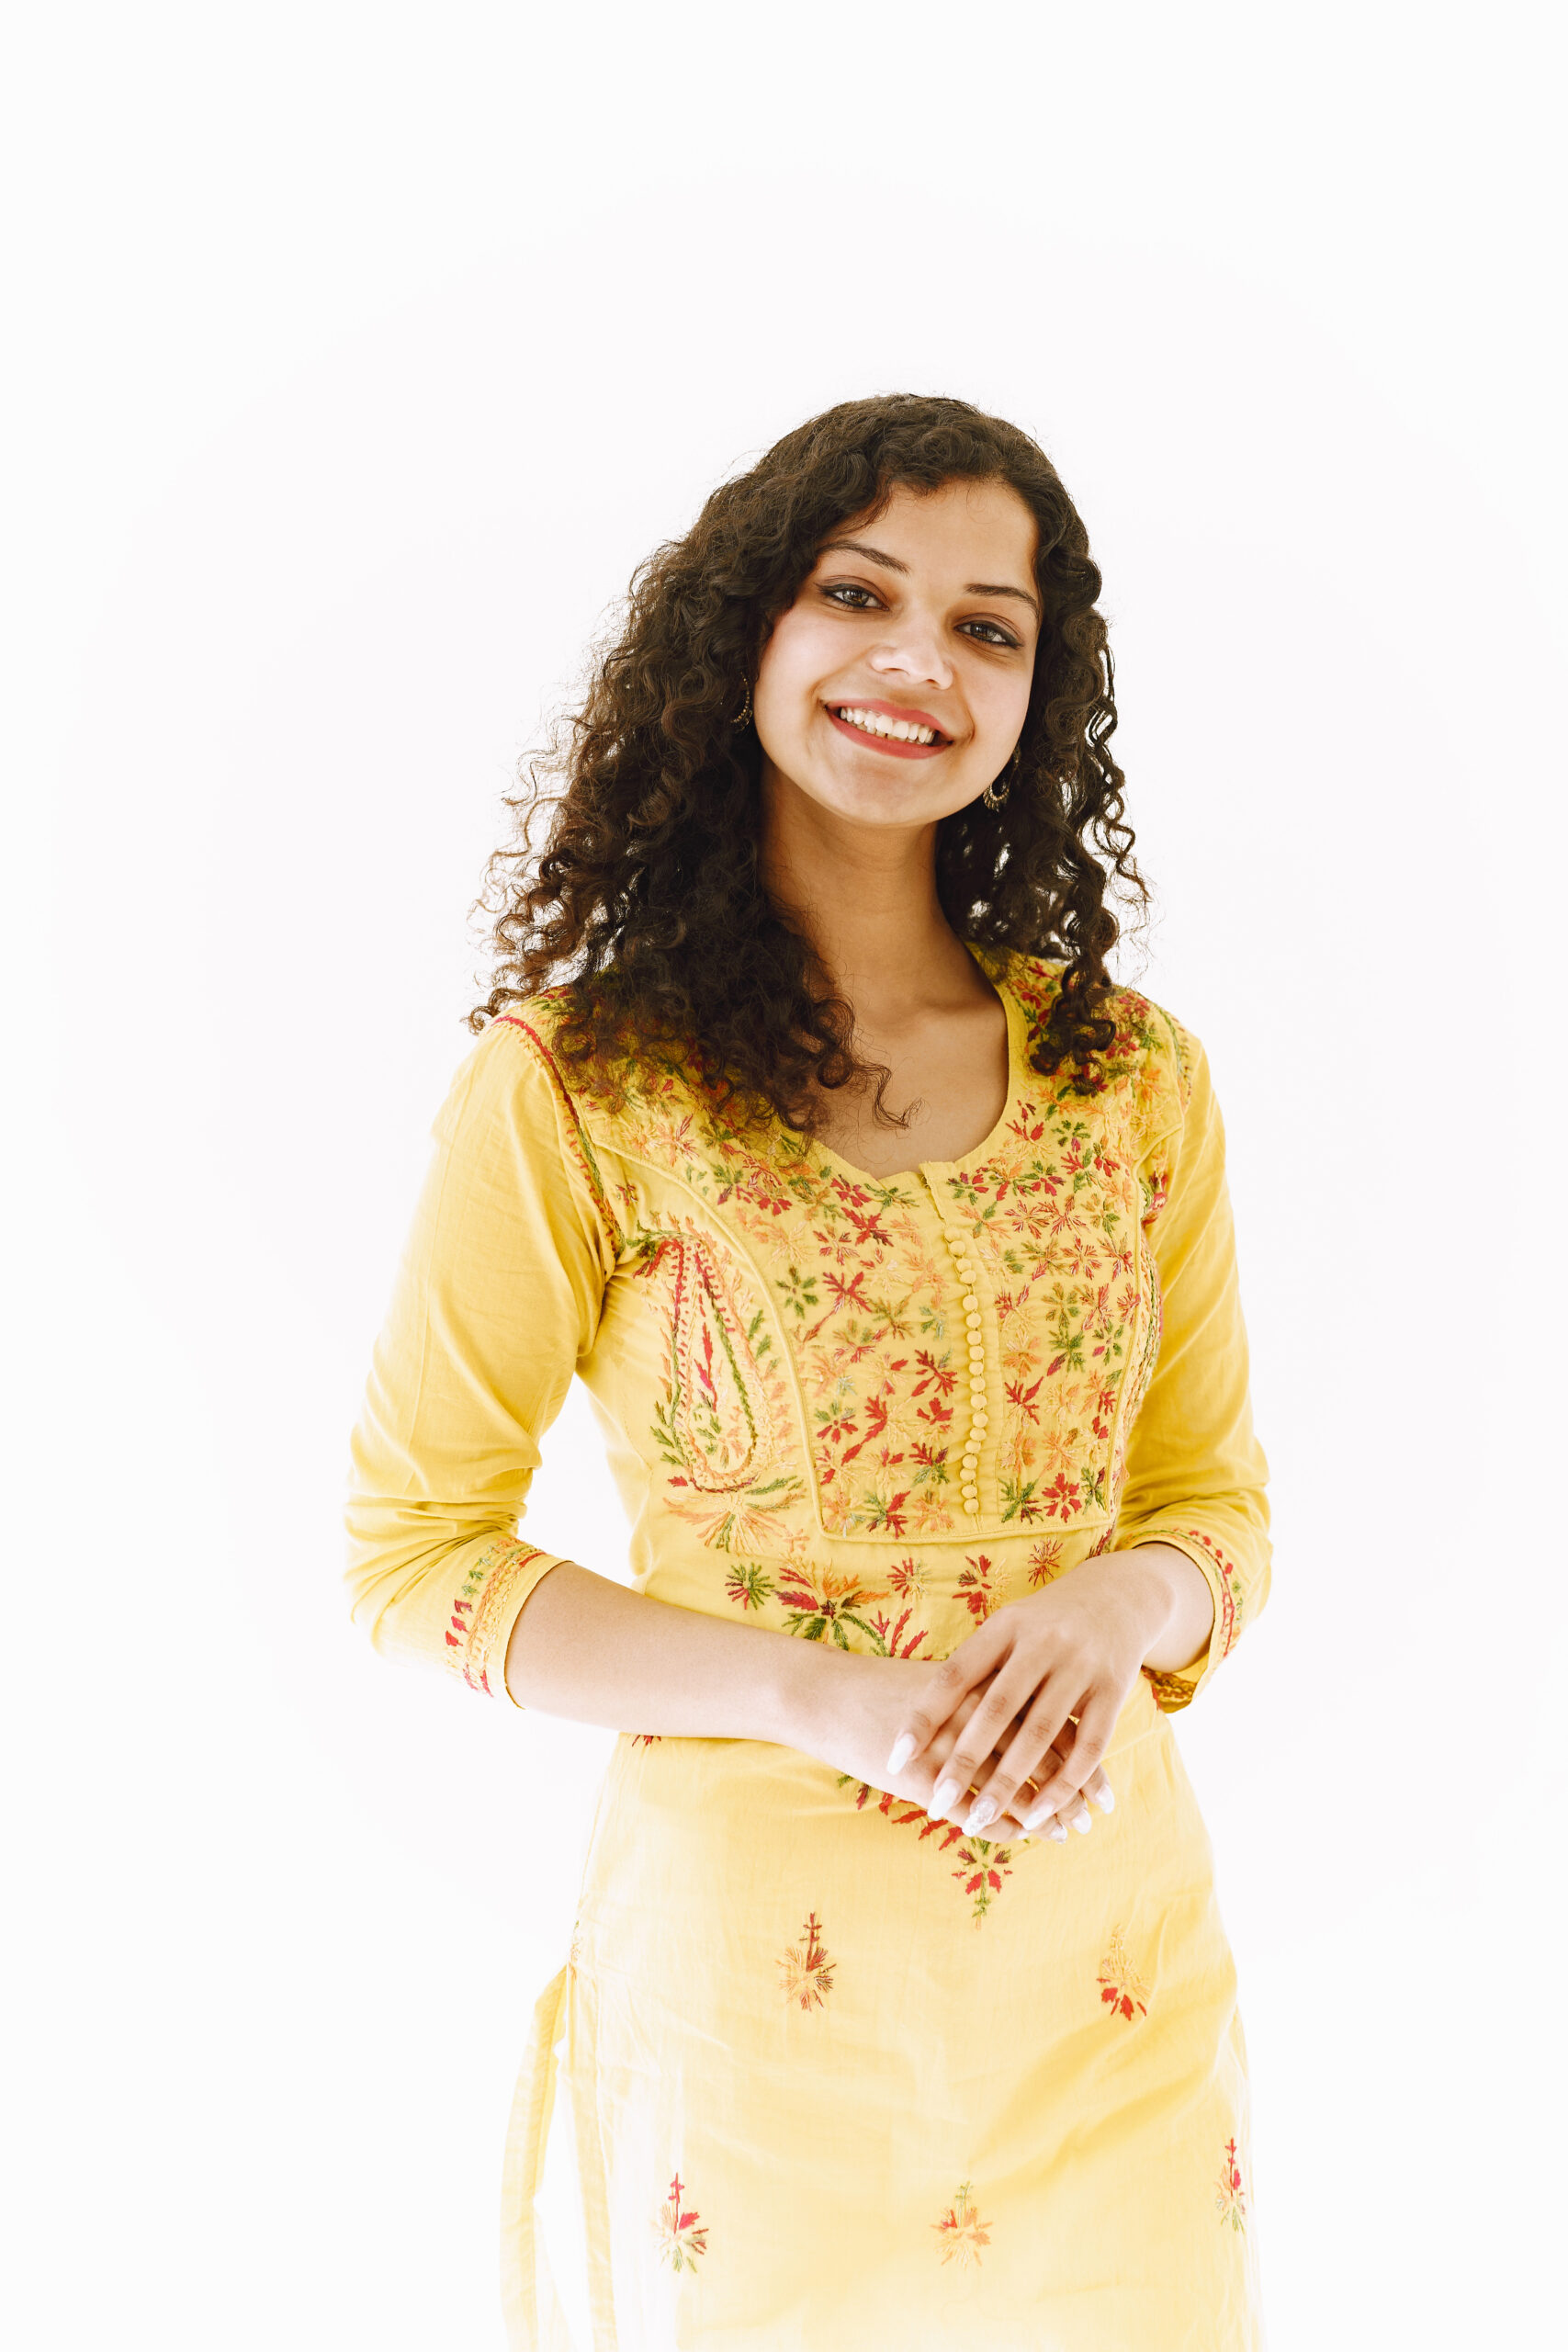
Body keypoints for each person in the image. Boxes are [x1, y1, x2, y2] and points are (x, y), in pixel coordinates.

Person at [345, 391, 1272, 2349]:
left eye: (986, 625)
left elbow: (1214, 1506)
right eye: (858, 593)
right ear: (744, 635)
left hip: (1103, 1972)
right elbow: (415, 1555)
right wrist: (817, 1695)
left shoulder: (1130, 1076)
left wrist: (1128, 1595)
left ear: (1038, 693)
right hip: (754, 2001)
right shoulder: (580, 1087)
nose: (916, 661)